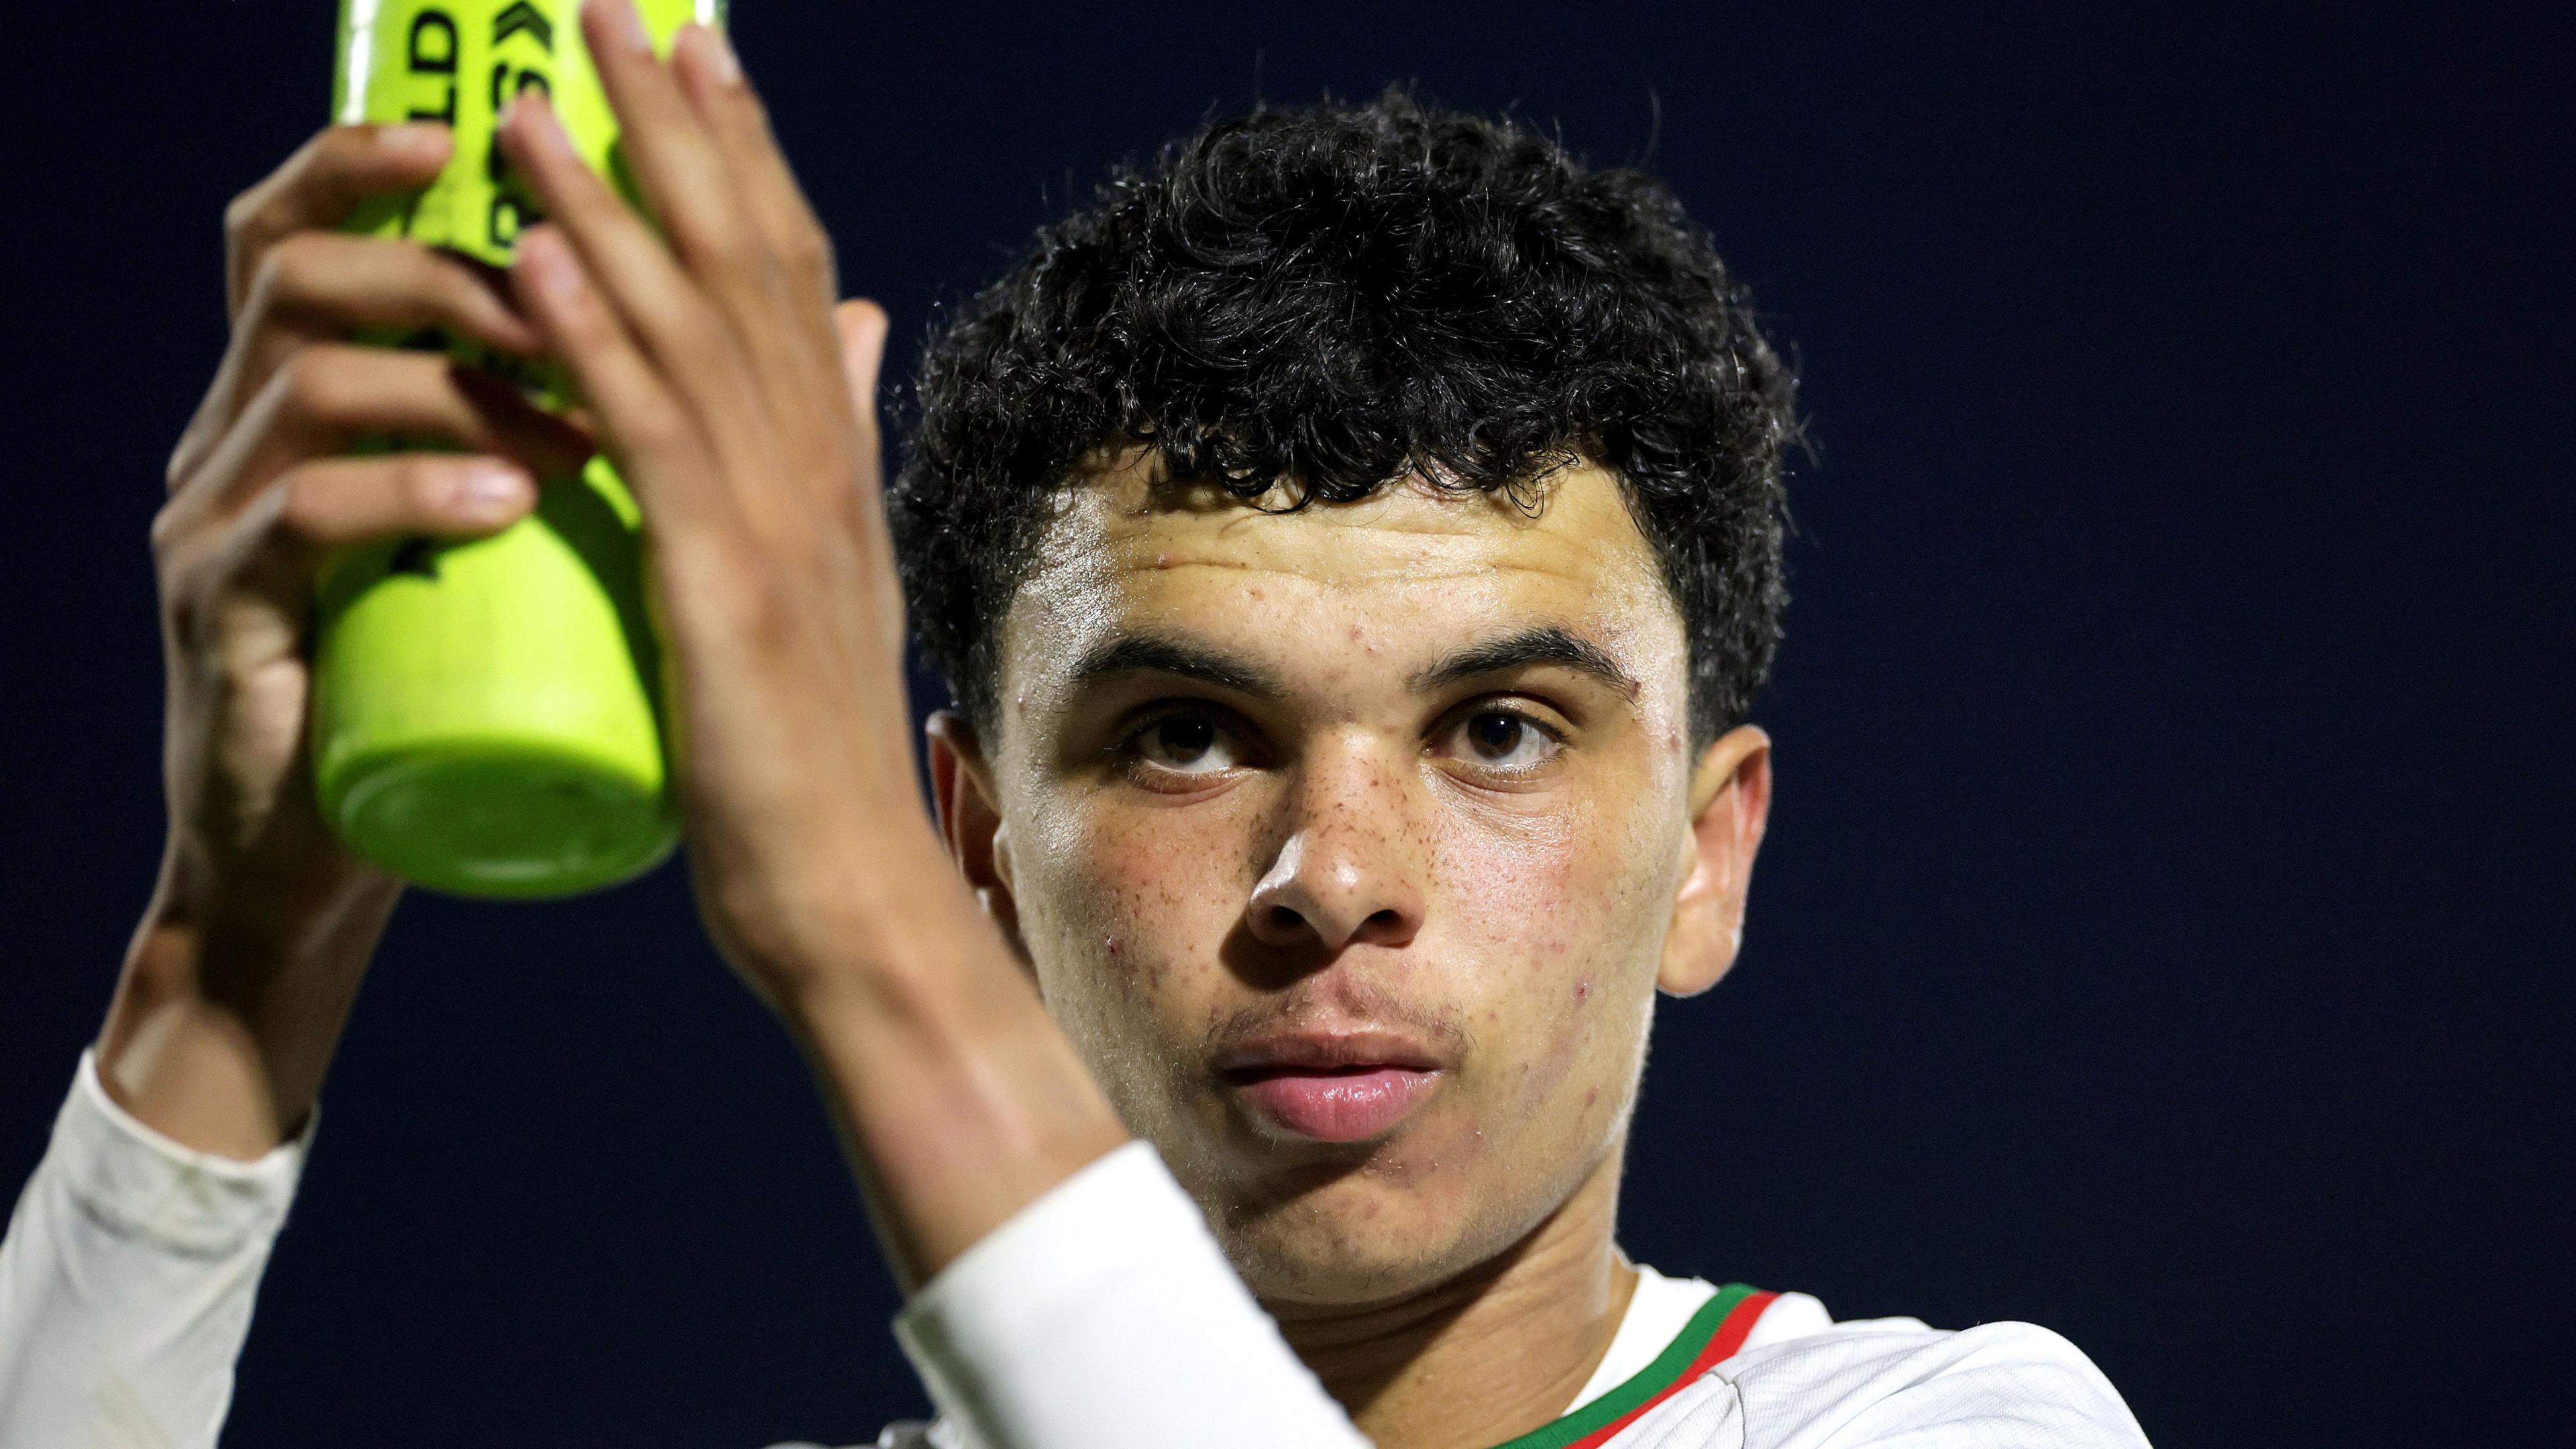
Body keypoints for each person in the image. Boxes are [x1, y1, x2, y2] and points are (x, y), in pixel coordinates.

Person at [0, 3, 2150, 1445]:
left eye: (1497, 729)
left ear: (1711, 849)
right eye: (1189, 735)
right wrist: (229, 967)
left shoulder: (1960, 1424)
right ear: (979, 837)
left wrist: (844, 918)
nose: (1335, 878)